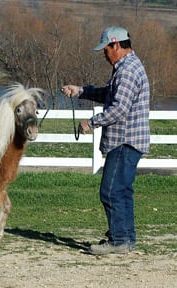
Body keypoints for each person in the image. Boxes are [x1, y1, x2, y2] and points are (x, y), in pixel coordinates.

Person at [61, 26, 150, 255]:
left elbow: (119, 109)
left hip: (125, 140)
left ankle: (119, 241)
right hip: (128, 141)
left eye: (106, 49)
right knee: (122, 191)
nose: (104, 53)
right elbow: (108, 94)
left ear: (117, 45)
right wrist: (80, 91)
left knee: (110, 191)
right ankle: (126, 239)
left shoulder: (128, 71)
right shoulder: (125, 68)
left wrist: (91, 123)